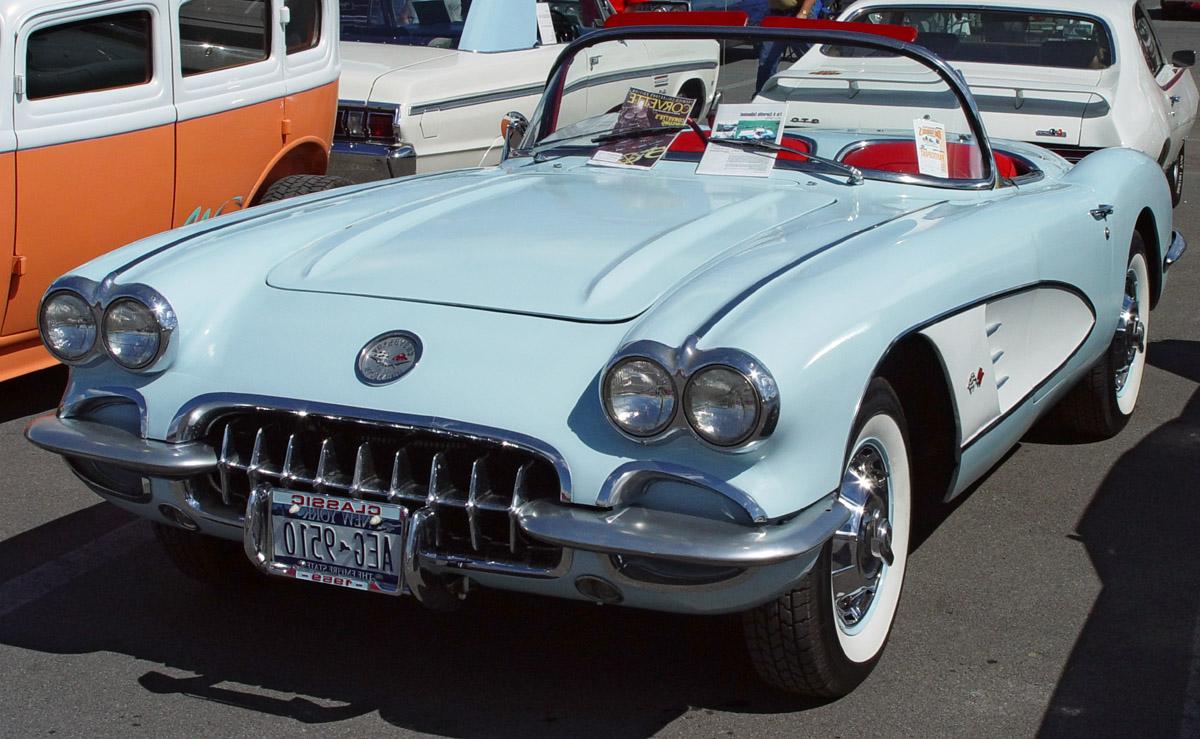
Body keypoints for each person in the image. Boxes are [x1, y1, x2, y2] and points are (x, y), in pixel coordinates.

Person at [755, 0, 825, 95]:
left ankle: (824, 92)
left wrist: (803, 12)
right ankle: (762, 95)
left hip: (797, 14)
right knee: (767, 61)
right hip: (775, 15)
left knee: (814, 58)